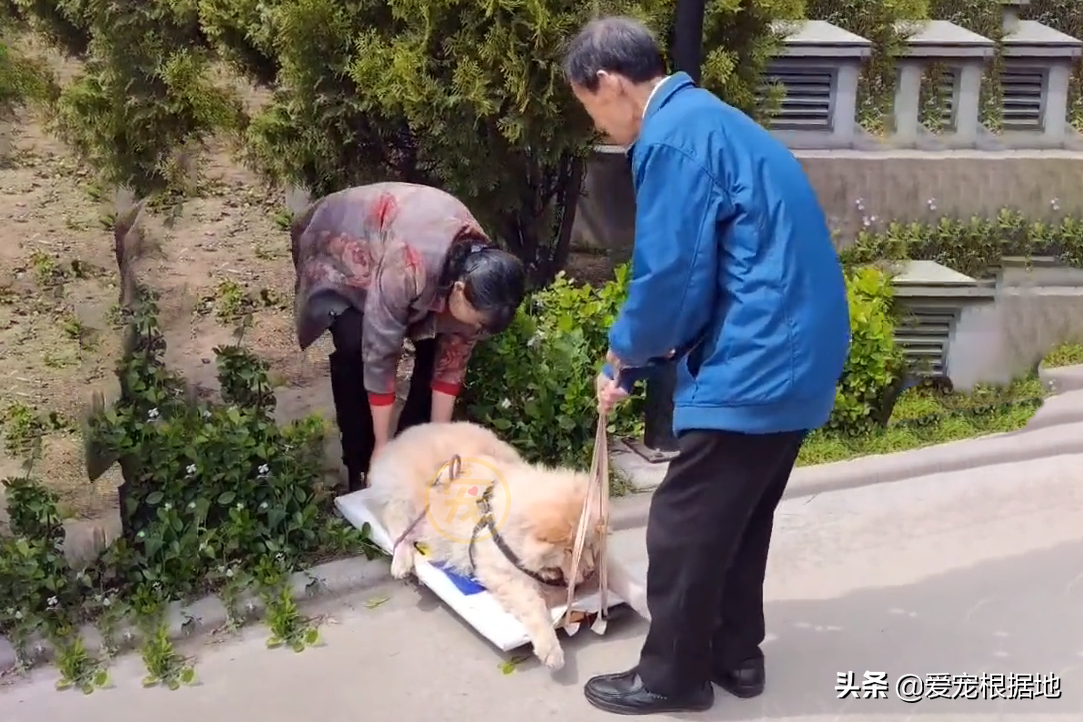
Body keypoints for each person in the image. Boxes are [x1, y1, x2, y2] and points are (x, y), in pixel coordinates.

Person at [563, 16, 851, 716]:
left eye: (589, 106)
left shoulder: (670, 138)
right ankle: (734, 654)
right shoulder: (714, 121)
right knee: (739, 517)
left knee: (683, 524)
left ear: (609, 83)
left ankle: (673, 675)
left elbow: (671, 277)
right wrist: (636, 363)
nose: (598, 124)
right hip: (801, 353)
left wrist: (622, 351)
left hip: (758, 358)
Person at [290, 182, 527, 492]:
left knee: (437, 350)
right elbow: (380, 354)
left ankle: (412, 456)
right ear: (458, 291)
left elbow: (451, 364)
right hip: (346, 239)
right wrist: (381, 445)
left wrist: (443, 443)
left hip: (409, 252)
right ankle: (360, 466)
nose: (476, 332)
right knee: (356, 346)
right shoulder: (409, 265)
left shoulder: (483, 282)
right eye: (477, 324)